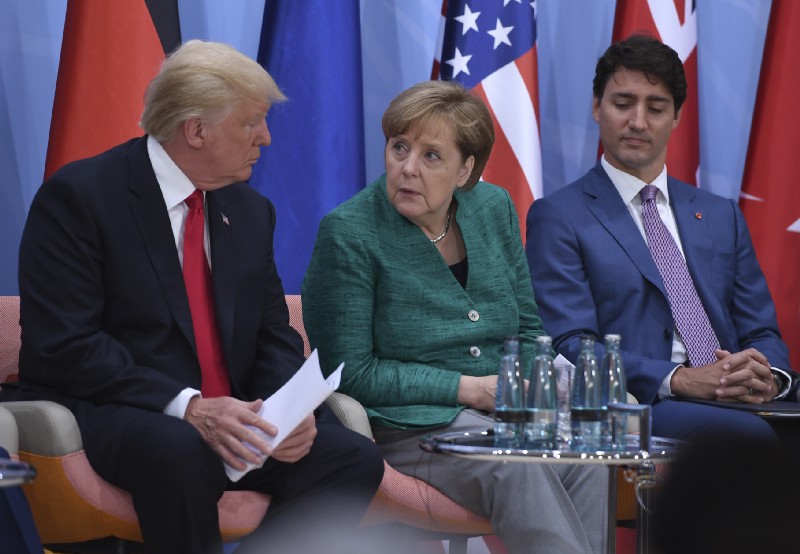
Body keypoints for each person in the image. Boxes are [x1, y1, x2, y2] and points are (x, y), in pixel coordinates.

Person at [2, 40, 383, 554]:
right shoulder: (81, 197)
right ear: (196, 130)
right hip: (117, 408)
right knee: (180, 450)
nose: (266, 138)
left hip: (230, 419)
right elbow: (65, 345)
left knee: (352, 459)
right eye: (252, 122)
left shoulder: (249, 211)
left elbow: (273, 332)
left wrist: (283, 415)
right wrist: (190, 407)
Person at [302, 80, 608, 554]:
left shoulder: (493, 208)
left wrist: (523, 392)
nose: (406, 168)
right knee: (515, 461)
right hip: (409, 429)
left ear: (466, 170)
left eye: (431, 156)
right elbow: (348, 373)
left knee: (588, 457)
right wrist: (468, 389)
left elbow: (527, 327)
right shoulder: (349, 232)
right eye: (399, 147)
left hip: (506, 415)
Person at [526, 34, 797, 449]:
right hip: (640, 403)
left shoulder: (720, 214)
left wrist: (766, 376)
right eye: (622, 104)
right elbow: (569, 344)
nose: (638, 121)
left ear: (676, 117)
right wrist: (681, 379)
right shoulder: (559, 215)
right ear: (596, 107)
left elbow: (761, 330)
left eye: (655, 108)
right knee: (750, 440)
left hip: (736, 396)